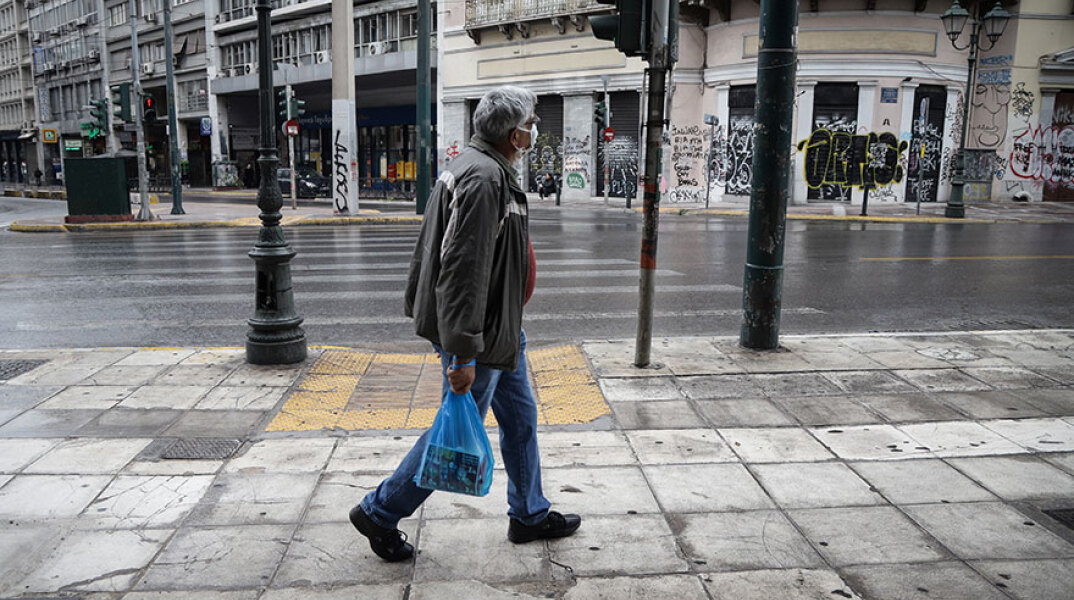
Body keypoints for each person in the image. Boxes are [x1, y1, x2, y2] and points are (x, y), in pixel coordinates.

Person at [350, 85, 580, 562]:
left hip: (498, 327)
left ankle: (529, 514)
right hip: (477, 333)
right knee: (453, 432)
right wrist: (462, 353)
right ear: (514, 134)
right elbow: (463, 272)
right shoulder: (483, 179)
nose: (535, 131)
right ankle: (380, 511)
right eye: (531, 124)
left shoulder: (485, 168)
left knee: (521, 420)